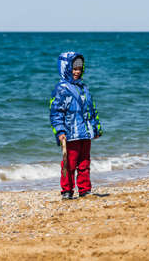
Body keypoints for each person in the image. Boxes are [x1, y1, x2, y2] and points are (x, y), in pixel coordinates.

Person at [49, 52, 103, 199]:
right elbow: (56, 113)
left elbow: (91, 109)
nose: (77, 72)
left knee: (84, 162)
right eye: (74, 69)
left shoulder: (84, 88)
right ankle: (67, 190)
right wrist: (60, 131)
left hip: (85, 132)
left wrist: (96, 127)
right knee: (69, 163)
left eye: (79, 69)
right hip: (70, 133)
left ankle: (85, 189)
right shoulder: (61, 89)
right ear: (65, 69)